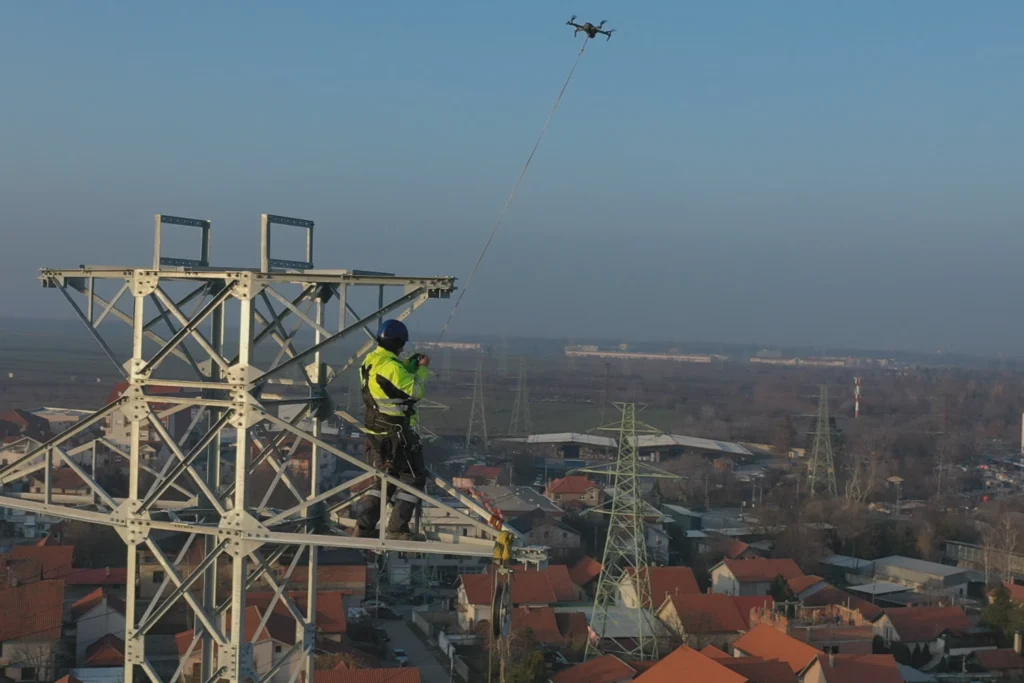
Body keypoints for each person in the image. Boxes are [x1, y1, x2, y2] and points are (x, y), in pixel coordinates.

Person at [355, 319, 431, 540]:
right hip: (396, 434)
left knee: (385, 480)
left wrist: (409, 366)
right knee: (413, 478)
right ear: (398, 343)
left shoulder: (371, 360)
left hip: (376, 433)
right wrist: (422, 370)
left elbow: (389, 381)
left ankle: (364, 526)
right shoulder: (391, 367)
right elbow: (415, 391)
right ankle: (397, 528)